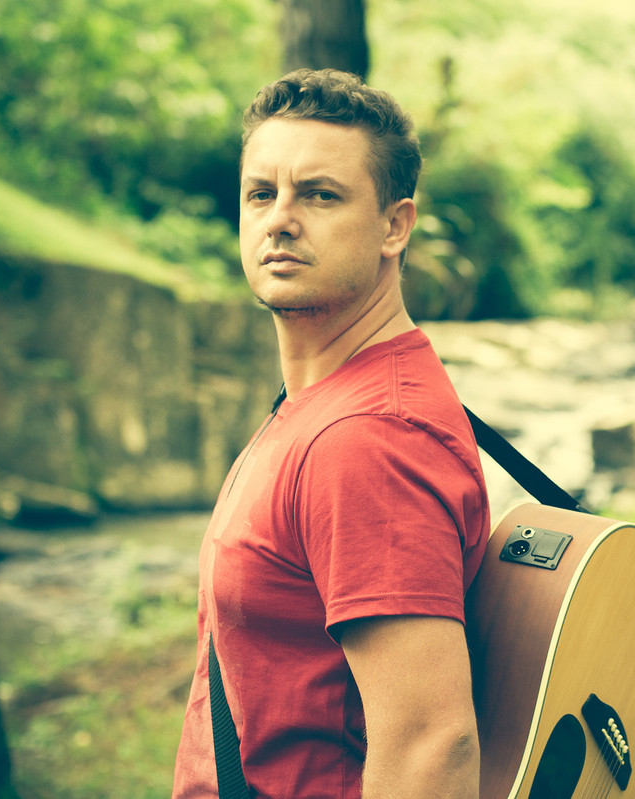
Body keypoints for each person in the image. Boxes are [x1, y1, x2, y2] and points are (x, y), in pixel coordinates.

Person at [172, 69, 489, 799]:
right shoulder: (322, 401)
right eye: (261, 194)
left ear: (394, 227)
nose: (280, 220)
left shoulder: (369, 440)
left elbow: (431, 744)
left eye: (320, 195)